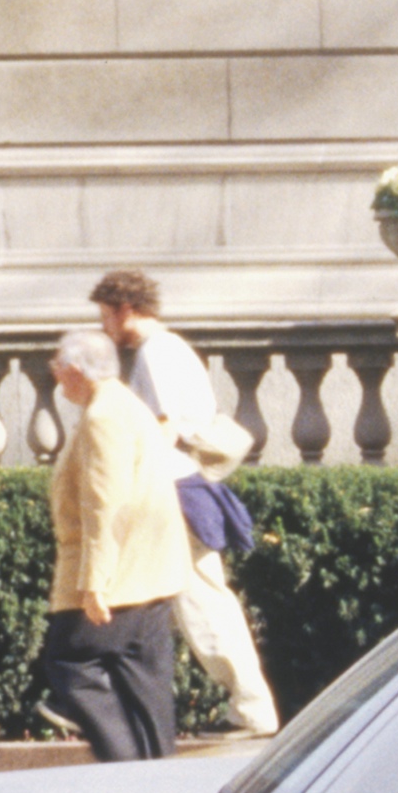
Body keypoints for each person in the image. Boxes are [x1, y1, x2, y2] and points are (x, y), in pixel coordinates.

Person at [89, 270, 276, 737]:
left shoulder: (156, 352)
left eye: (105, 315)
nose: (103, 326)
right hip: (177, 487)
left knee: (200, 605)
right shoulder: (169, 349)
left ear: (125, 309)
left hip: (171, 490)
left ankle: (252, 709)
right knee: (157, 599)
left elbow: (166, 428)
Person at [38, 328, 187, 762]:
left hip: (121, 577)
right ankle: (156, 774)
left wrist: (95, 583)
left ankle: (124, 766)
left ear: (76, 369)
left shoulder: (103, 416)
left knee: (71, 662)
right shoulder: (125, 404)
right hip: (151, 572)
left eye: (57, 366)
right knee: (143, 680)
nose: (55, 375)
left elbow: (105, 504)